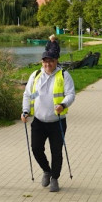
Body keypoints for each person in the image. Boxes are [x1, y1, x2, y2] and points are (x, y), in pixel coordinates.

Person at [22, 49, 75, 192]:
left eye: (51, 61)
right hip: (39, 121)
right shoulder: (36, 75)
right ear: (42, 62)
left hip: (57, 121)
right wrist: (25, 111)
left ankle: (55, 178)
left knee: (56, 151)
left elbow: (71, 94)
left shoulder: (64, 75)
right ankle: (47, 170)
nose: (48, 64)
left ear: (56, 61)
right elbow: (28, 95)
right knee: (36, 148)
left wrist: (63, 104)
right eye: (45, 61)